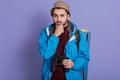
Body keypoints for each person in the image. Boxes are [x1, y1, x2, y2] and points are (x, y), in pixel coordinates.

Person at [39, 1, 90, 80]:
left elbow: (85, 57)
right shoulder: (45, 32)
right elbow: (45, 54)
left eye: (62, 15)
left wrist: (73, 64)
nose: (58, 19)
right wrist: (55, 35)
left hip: (71, 76)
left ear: (68, 16)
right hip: (50, 76)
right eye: (55, 16)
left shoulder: (78, 34)